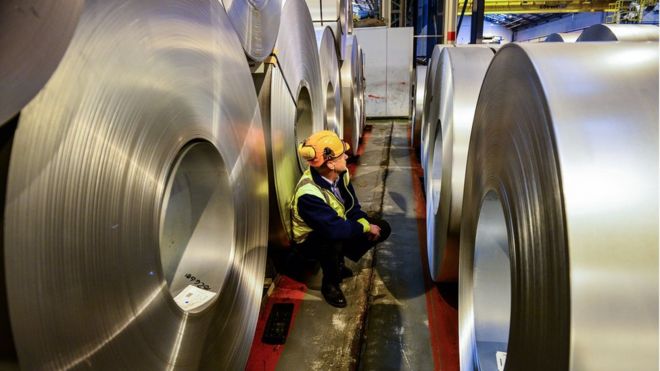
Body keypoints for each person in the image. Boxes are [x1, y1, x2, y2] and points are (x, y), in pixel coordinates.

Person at [289, 130, 391, 308]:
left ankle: (338, 260)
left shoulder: (339, 174)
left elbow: (352, 206)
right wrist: (365, 229)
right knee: (331, 242)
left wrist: (364, 223)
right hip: (309, 242)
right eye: (341, 154)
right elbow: (334, 229)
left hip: (333, 227)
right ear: (330, 163)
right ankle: (330, 284)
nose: (346, 155)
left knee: (382, 227)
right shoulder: (308, 195)